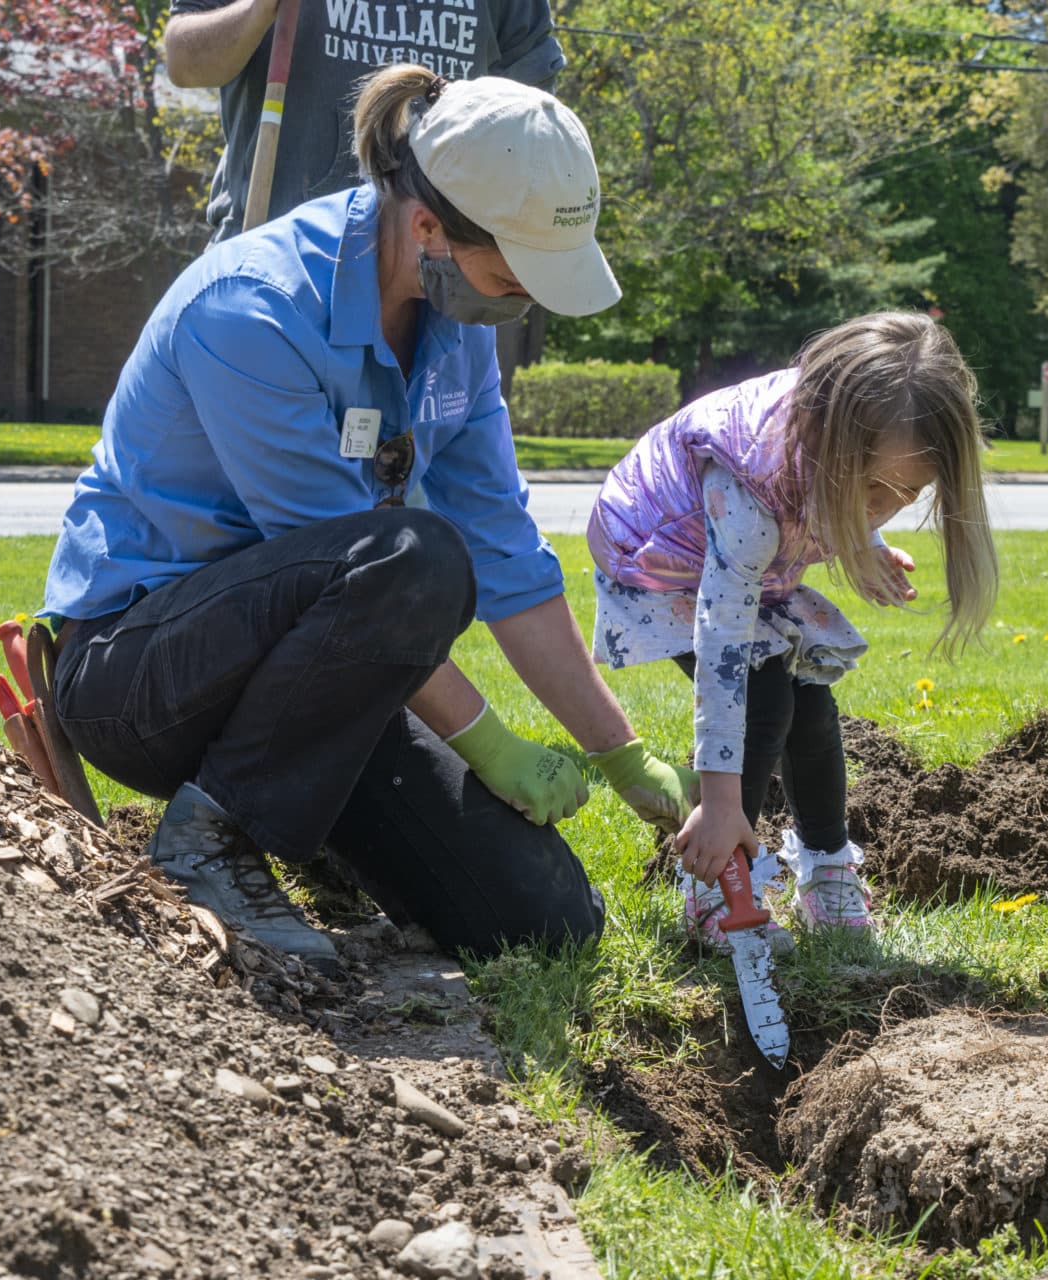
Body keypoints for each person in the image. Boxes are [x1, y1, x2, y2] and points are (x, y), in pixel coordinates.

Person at [42, 68, 694, 977]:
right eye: (512, 274)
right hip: (140, 675)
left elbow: (507, 557)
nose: (523, 303)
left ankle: (303, 828)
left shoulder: (452, 326)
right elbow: (358, 562)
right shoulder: (252, 310)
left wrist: (620, 755)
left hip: (317, 691)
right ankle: (209, 845)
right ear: (428, 226)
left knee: (546, 920)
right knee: (415, 555)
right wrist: (490, 745)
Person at [586, 313, 998, 944]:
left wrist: (868, 539)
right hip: (662, 558)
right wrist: (721, 804)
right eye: (868, 490)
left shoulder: (847, 437)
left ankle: (827, 868)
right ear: (822, 435)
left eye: (904, 495)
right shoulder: (751, 491)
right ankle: (715, 885)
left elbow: (848, 496)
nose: (880, 508)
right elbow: (722, 642)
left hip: (742, 559)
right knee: (762, 701)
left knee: (810, 708)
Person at [163, 0, 565, 243]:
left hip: (436, 277)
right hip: (278, 265)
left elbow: (528, 110)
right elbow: (185, 63)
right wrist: (256, 10)